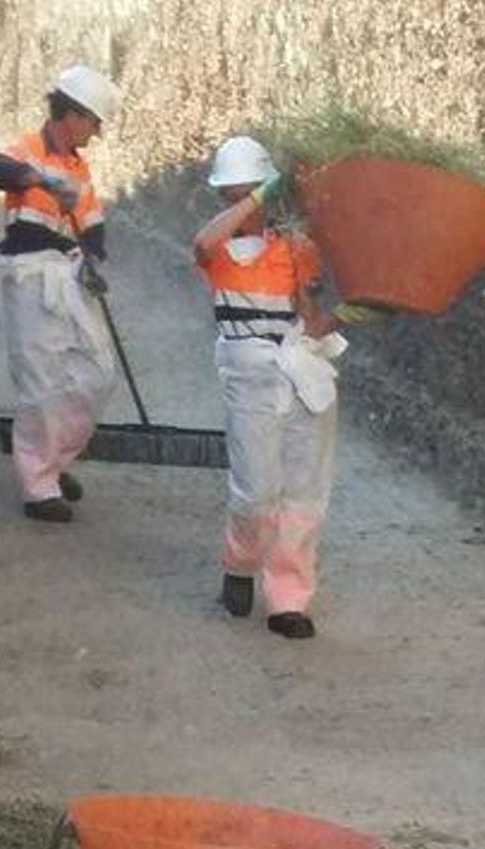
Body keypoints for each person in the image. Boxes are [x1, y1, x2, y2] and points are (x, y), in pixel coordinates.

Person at [192, 136, 345, 640]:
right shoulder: (219, 253)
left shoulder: (297, 249)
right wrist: (256, 199)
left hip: (302, 371)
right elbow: (203, 243)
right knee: (256, 492)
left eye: (252, 193)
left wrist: (345, 313)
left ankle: (288, 599)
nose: (246, 205)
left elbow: (314, 318)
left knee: (304, 492)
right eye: (235, 196)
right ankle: (239, 563)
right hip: (250, 378)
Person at [0, 65, 120, 523]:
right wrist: (44, 181)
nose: (97, 132)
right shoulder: (27, 148)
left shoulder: (80, 168)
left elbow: (94, 225)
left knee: (97, 374)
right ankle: (38, 487)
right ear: (74, 114)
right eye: (95, 122)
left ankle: (56, 459)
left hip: (70, 271)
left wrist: (95, 262)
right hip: (29, 274)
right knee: (42, 385)